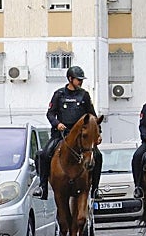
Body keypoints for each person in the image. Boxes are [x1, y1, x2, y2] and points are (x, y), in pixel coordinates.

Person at [34, 65, 103, 201]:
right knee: (43, 154)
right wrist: (57, 123)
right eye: (78, 80)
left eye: (81, 80)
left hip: (80, 137)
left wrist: (98, 133)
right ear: (70, 79)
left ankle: (95, 189)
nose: (81, 82)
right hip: (61, 134)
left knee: (98, 156)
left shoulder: (84, 95)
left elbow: (93, 117)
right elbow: (50, 113)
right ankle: (42, 187)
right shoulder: (59, 94)